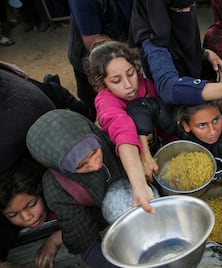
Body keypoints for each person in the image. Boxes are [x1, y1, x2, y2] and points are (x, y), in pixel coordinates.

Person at [26, 109, 154, 267]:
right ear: (59, 166)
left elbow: (127, 134)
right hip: (109, 230)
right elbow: (85, 241)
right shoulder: (57, 189)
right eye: (81, 165)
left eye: (94, 152)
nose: (95, 164)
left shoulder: (107, 137)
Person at [84, 40, 163, 209]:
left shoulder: (148, 84)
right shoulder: (105, 101)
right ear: (102, 83)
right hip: (130, 163)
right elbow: (123, 129)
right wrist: (140, 186)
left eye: (130, 73)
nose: (128, 85)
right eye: (116, 80)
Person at [67, 0, 133, 121]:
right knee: (101, 107)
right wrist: (136, 50)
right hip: (89, 58)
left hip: (123, 49)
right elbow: (93, 42)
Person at [0, 158, 61, 268]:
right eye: (12, 215)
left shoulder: (60, 194)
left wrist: (56, 239)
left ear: (41, 188)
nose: (27, 217)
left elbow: (93, 217)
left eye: (32, 205)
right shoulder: (5, 226)